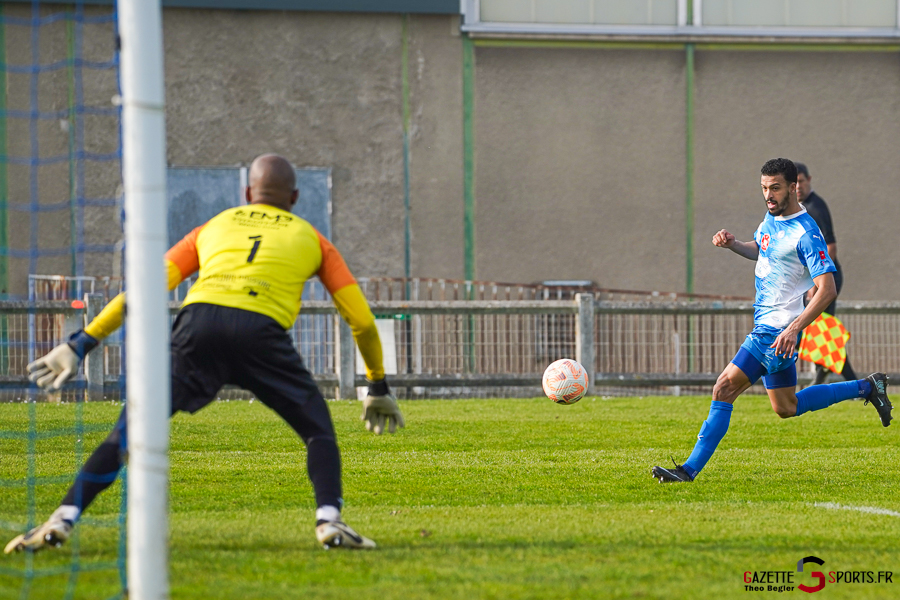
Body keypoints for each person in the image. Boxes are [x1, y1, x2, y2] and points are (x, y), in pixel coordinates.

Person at [5, 154, 404, 552]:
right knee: (317, 430)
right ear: (295, 197)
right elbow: (363, 322)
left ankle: (62, 518)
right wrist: (376, 384)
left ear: (248, 193)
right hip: (260, 333)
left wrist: (81, 343)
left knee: (129, 432)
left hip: (199, 327)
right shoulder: (314, 240)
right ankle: (329, 521)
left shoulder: (213, 227)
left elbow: (143, 289)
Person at [651, 158, 891, 484]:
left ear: (794, 187)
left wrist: (794, 328)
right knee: (786, 407)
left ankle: (687, 471)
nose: (769, 195)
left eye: (775, 188)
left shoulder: (806, 233)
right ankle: (868, 386)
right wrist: (734, 245)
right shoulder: (772, 217)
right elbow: (763, 250)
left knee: (723, 388)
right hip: (773, 331)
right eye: (764, 188)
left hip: (775, 332)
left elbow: (827, 289)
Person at [795, 161, 857, 384]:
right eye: (795, 183)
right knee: (822, 327)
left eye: (802, 181)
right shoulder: (800, 208)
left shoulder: (815, 207)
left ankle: (851, 380)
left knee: (822, 326)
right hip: (816, 277)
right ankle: (826, 374)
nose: (799, 187)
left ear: (809, 180)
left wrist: (817, 282)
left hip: (827, 277)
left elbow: (831, 247)